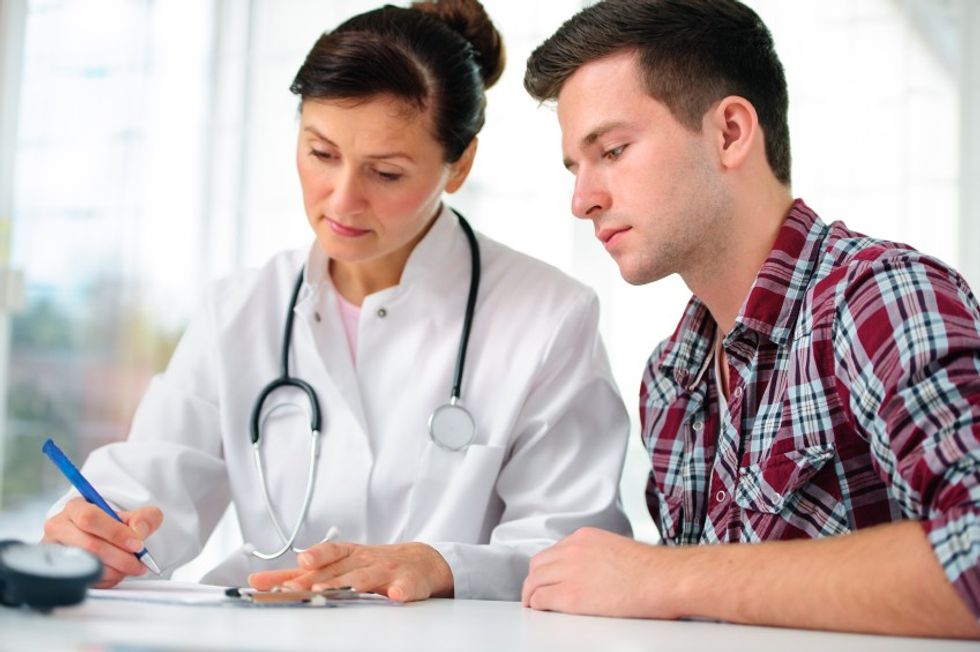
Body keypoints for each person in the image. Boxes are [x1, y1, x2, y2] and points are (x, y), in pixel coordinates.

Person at [41, 0, 631, 603]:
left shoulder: (549, 317)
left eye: (387, 173)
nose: (342, 202)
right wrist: (96, 530)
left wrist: (438, 565)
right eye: (322, 154)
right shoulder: (241, 312)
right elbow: (148, 489)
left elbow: (570, 551)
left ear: (459, 166)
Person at [519, 0, 980, 639]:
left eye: (614, 150)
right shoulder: (671, 379)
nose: (582, 199)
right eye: (575, 166)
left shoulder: (880, 299)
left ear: (731, 132)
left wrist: (660, 576)